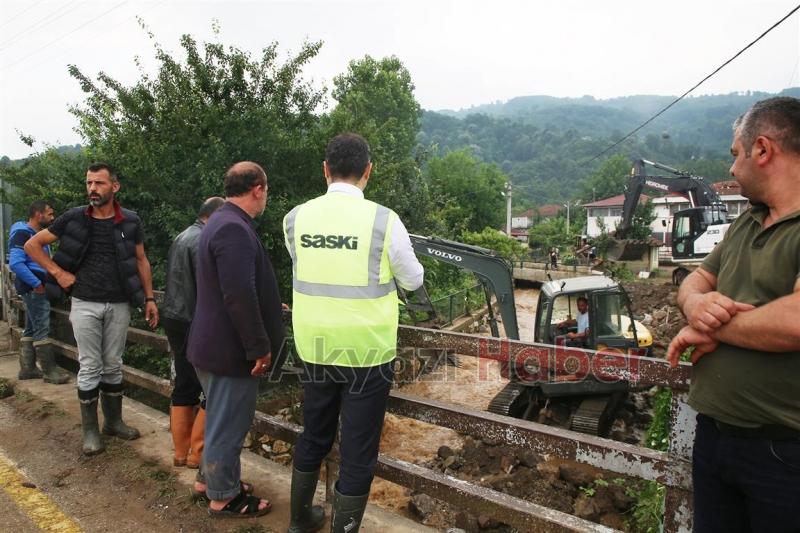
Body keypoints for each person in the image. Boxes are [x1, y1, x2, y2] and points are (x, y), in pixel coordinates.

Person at [667, 97, 800, 533]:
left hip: (782, 449)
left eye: (735, 155)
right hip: (715, 435)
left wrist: (712, 330)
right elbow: (694, 281)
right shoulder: (746, 223)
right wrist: (695, 306)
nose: (731, 168)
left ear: (762, 150)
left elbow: (795, 321)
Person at [283, 133, 424, 533]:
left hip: (313, 347)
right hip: (367, 353)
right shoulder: (383, 220)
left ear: (325, 171)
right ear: (368, 172)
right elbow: (413, 281)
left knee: (314, 435)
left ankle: (298, 522)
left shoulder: (295, 218)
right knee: (358, 452)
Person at [25, 162, 159, 456]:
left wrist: (149, 299)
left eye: (98, 183)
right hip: (84, 302)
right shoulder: (74, 218)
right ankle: (90, 431)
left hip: (120, 303)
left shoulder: (130, 221)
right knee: (90, 365)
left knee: (113, 363)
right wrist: (58, 273)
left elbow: (140, 260)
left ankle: (114, 422)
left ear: (115, 186)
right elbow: (32, 246)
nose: (92, 189)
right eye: (89, 183)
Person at [187, 162, 283, 518]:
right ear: (257, 188)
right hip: (230, 351)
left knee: (218, 418)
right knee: (230, 425)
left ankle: (208, 481)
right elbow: (238, 295)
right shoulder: (234, 229)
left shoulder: (219, 221)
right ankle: (224, 497)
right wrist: (258, 346)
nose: (266, 197)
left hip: (211, 345)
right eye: (266, 190)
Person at [162, 197, 224, 468]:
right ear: (215, 215)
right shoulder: (203, 241)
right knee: (213, 387)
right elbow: (209, 285)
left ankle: (180, 451)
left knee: (185, 384)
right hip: (194, 319)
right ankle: (197, 454)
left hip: (174, 316)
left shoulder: (182, 236)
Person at [8, 200, 69, 384]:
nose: (52, 217)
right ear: (38, 214)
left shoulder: (36, 234)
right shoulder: (22, 233)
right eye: (49, 214)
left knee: (32, 326)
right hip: (33, 286)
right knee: (42, 326)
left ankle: (28, 369)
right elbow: (16, 263)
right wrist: (36, 283)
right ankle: (50, 372)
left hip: (33, 285)